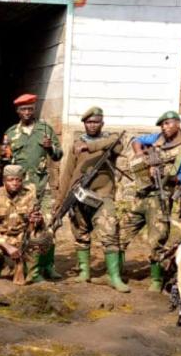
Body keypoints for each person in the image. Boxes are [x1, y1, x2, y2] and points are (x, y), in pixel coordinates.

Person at [120, 111, 181, 291]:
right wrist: (141, 155)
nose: (164, 127)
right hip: (141, 194)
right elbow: (136, 140)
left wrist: (164, 174)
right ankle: (116, 273)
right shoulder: (158, 138)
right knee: (121, 232)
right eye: (162, 124)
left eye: (168, 123)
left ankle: (156, 280)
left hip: (160, 197)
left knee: (157, 240)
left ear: (178, 124)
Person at [55, 106, 128, 291]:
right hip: (79, 194)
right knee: (80, 233)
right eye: (88, 122)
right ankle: (84, 272)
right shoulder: (76, 145)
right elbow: (67, 173)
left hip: (103, 197)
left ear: (102, 123)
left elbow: (117, 143)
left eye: (96, 122)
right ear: (84, 124)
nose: (92, 125)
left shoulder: (111, 141)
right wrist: (60, 201)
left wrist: (90, 146)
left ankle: (114, 276)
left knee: (110, 233)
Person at [1, 93, 63, 279]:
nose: (27, 112)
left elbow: (58, 155)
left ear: (34, 109)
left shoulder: (45, 130)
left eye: (30, 109)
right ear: (17, 111)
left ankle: (48, 265)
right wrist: (3, 155)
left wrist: (50, 147)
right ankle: (24, 267)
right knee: (21, 227)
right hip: (21, 191)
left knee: (48, 226)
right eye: (23, 109)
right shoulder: (11, 133)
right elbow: (5, 162)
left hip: (42, 187)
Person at [0, 164, 52, 284]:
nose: (15, 183)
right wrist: (7, 246)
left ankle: (34, 271)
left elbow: (41, 221)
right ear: (4, 181)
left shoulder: (29, 194)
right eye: (11, 180)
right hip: (1, 237)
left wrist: (39, 220)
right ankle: (0, 265)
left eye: (18, 180)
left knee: (46, 236)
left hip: (22, 236)